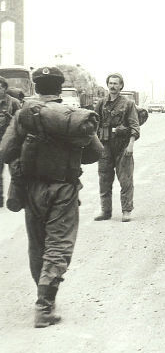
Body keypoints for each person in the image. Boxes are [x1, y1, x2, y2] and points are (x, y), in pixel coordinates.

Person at [0, 66, 102, 327]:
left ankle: (42, 295)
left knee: (38, 245)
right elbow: (94, 154)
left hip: (32, 189)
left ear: (35, 87)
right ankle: (45, 305)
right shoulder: (72, 116)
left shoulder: (24, 113)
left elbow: (5, 152)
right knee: (59, 244)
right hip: (64, 189)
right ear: (59, 88)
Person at [94, 73, 140, 222]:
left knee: (125, 179)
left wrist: (131, 144)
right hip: (105, 146)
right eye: (111, 83)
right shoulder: (101, 103)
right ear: (107, 85)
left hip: (122, 146)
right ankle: (105, 211)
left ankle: (126, 211)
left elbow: (134, 126)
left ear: (121, 86)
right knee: (104, 179)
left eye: (116, 83)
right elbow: (93, 124)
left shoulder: (128, 104)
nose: (113, 86)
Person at [0, 75, 21, 207]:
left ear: (4, 88)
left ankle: (16, 197)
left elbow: (22, 121)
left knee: (14, 170)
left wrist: (9, 117)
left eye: (0, 87)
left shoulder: (13, 102)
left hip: (11, 141)